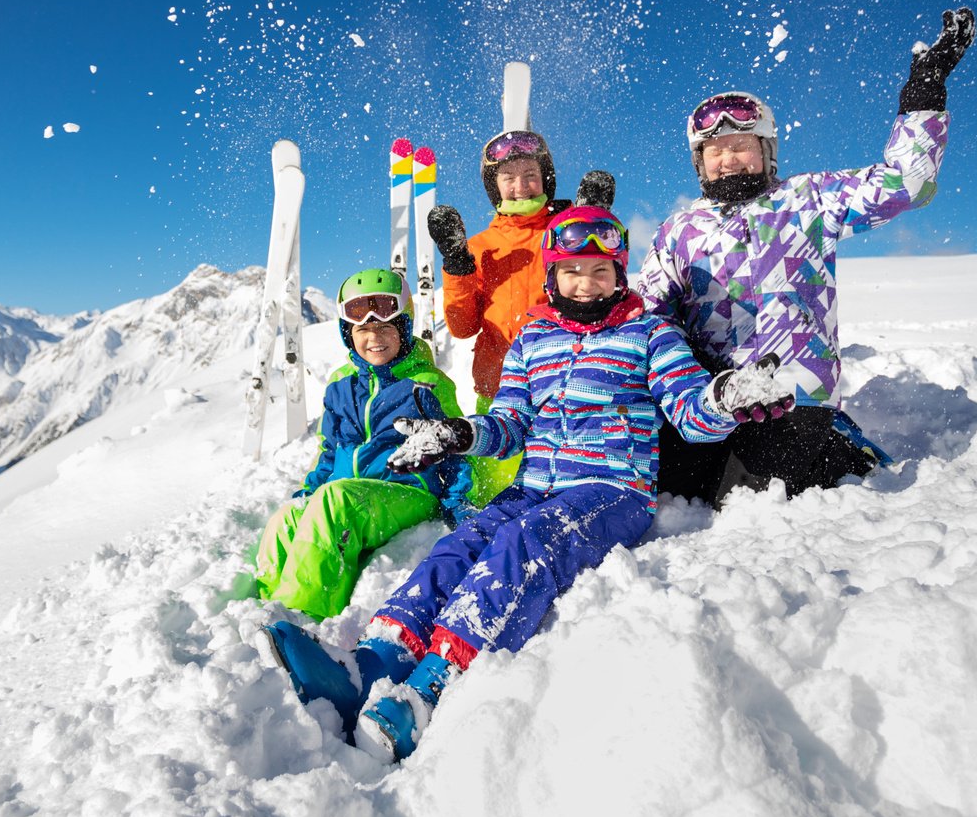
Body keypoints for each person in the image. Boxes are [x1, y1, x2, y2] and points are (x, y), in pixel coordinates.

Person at [253, 207, 794, 761]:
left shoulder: (650, 333)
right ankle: (372, 665)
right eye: (572, 271)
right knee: (459, 546)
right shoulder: (534, 337)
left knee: (524, 543)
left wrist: (724, 398)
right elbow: (509, 424)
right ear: (553, 275)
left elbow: (689, 411)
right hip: (533, 484)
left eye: (600, 271)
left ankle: (432, 686)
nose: (586, 284)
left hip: (610, 487)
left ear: (619, 274)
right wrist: (459, 434)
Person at [638, 7, 977, 504]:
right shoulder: (679, 231)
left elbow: (908, 183)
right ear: (700, 163)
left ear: (767, 150)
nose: (728, 157)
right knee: (662, 493)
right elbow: (646, 313)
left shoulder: (809, 199)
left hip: (790, 400)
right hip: (709, 401)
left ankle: (838, 447)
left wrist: (923, 95)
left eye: (741, 145)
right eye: (715, 150)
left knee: (751, 503)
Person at [253, 268, 473, 620]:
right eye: (363, 329)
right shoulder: (340, 384)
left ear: (403, 328)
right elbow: (330, 450)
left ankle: (302, 614)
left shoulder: (426, 383)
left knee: (335, 500)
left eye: (386, 327)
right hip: (355, 496)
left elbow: (454, 447)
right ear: (347, 333)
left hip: (408, 493)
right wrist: (307, 493)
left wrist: (460, 502)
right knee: (286, 519)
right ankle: (269, 608)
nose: (375, 337)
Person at [424, 130, 614, 507]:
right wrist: (458, 265)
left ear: (546, 178)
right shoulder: (480, 247)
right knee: (499, 502)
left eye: (530, 174)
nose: (521, 186)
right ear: (494, 187)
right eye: (508, 178)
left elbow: (601, 296)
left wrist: (592, 223)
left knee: (568, 499)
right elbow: (463, 328)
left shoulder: (565, 233)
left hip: (568, 391)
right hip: (497, 397)